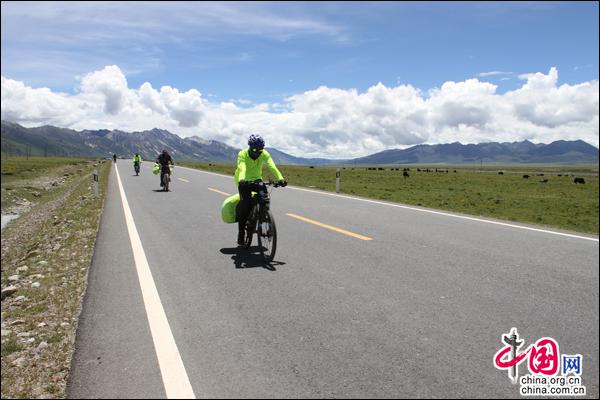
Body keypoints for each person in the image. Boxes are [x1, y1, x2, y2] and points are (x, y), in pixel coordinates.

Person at [234, 134, 287, 245]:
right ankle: (241, 233)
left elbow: (271, 166)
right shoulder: (242, 154)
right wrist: (242, 180)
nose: (258, 152)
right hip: (243, 181)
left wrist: (280, 178)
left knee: (265, 200)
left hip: (257, 180)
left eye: (260, 150)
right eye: (255, 150)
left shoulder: (264, 153)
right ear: (250, 147)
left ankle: (264, 219)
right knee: (246, 205)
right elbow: (242, 168)